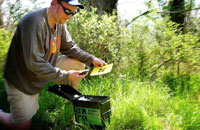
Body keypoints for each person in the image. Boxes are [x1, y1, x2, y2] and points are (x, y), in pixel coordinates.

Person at [0, 0, 106, 129]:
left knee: (77, 63)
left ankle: (72, 103)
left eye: (74, 13)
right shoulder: (33, 22)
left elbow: (70, 48)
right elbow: (34, 63)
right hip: (23, 80)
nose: (69, 16)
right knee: (21, 126)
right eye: (67, 11)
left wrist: (91, 59)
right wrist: (66, 76)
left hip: (43, 68)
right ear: (55, 3)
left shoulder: (59, 23)